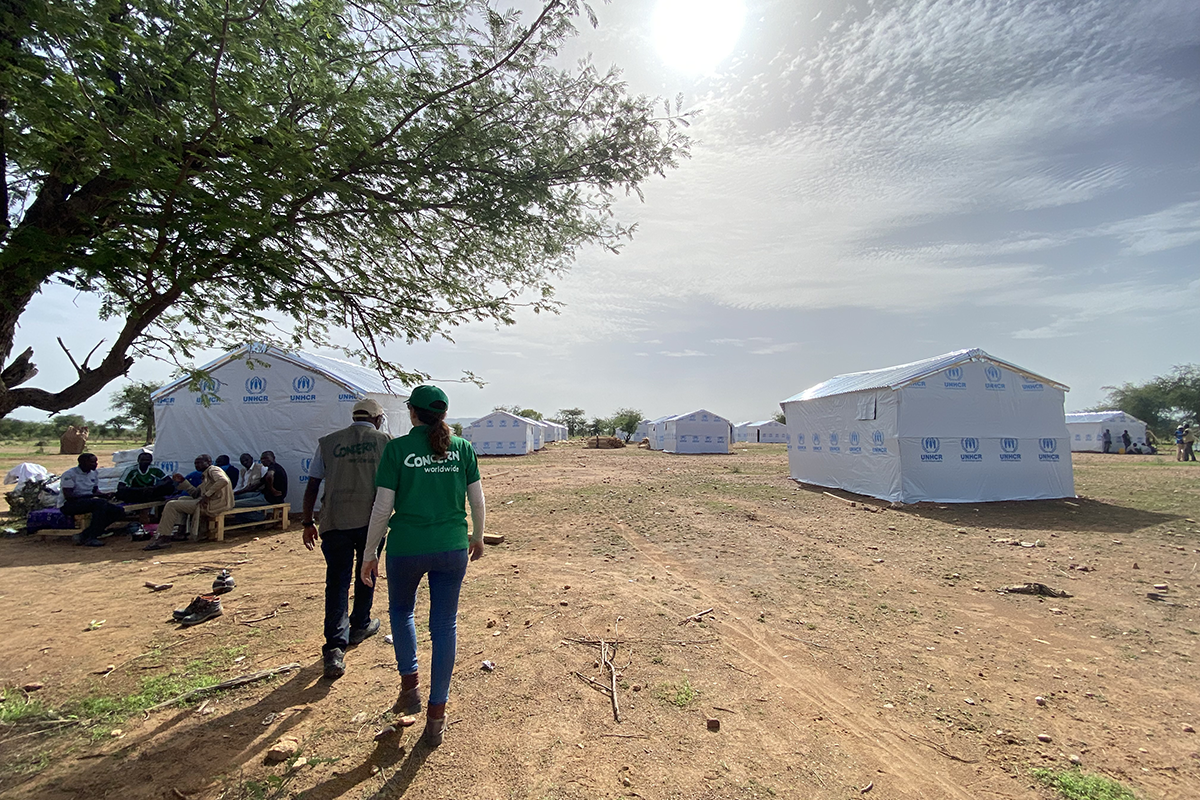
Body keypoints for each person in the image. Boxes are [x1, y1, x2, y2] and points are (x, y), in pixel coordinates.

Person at [361, 385, 485, 748]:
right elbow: (476, 500)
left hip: (405, 548)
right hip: (450, 547)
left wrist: (370, 553)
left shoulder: (397, 449)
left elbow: (382, 509)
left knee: (401, 613)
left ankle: (410, 687)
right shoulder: (462, 448)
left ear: (412, 413)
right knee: (445, 624)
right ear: (444, 416)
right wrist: (476, 536)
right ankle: (436, 715)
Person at [303, 399, 392, 678]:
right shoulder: (386, 442)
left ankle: (334, 647)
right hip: (371, 522)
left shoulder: (329, 442)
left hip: (335, 522)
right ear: (378, 419)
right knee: (367, 572)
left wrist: (307, 522)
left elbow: (313, 483)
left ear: (354, 417)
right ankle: (360, 624)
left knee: (337, 581)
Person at [155, 455, 234, 541]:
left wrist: (207, 495)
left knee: (171, 505)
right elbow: (196, 494)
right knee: (182, 499)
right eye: (195, 463)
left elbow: (223, 480)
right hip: (210, 503)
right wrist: (183, 482)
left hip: (216, 505)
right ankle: (181, 531)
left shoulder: (213, 470)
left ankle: (164, 536)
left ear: (209, 462)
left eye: (199, 463)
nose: (197, 465)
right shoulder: (206, 476)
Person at [58, 453, 127, 547]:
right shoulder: (69, 474)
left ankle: (84, 534)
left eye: (95, 462)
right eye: (92, 462)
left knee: (118, 511)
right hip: (69, 504)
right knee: (99, 504)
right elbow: (69, 496)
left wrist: (105, 495)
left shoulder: (93, 473)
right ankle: (92, 537)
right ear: (82, 462)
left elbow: (95, 490)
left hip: (88, 501)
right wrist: (92, 496)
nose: (95, 464)